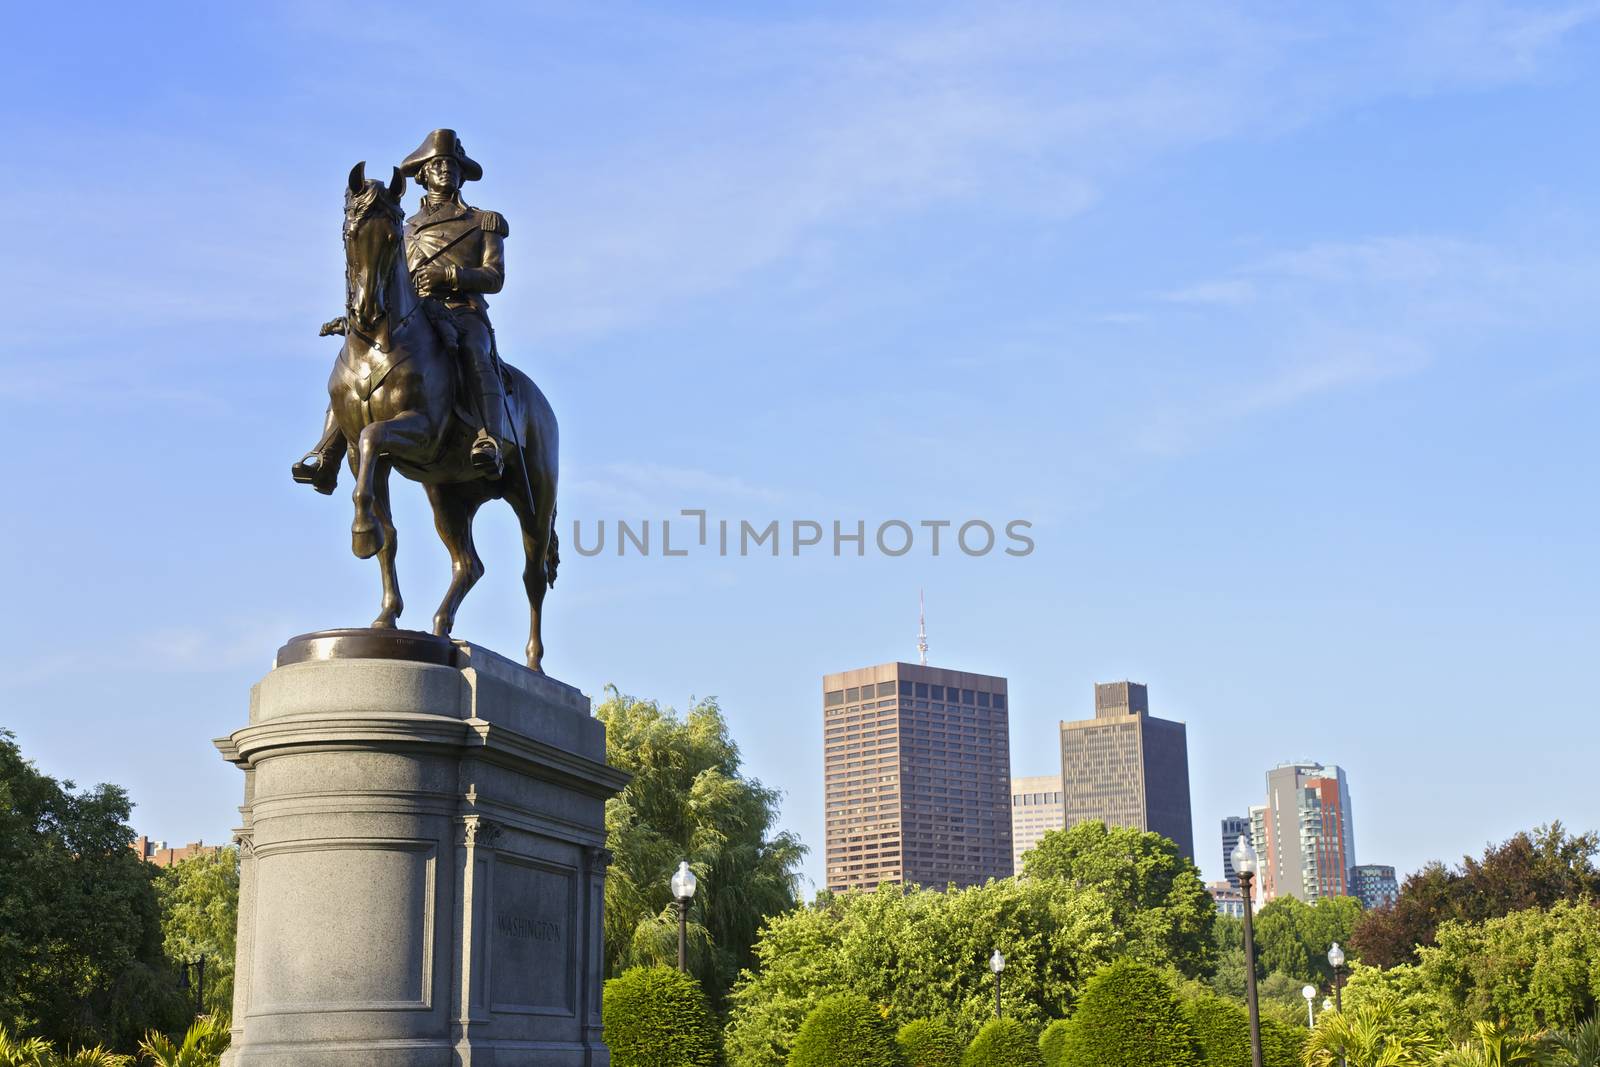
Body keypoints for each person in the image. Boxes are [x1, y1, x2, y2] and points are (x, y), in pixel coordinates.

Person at [292, 129, 511, 491]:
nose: (444, 170)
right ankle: (327, 452)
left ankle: (488, 438)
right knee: (353, 358)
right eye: (436, 164)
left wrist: (449, 275)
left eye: (451, 164)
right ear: (422, 174)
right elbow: (384, 276)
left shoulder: (482, 221)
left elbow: (494, 276)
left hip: (462, 309)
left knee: (475, 348)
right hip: (412, 312)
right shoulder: (403, 227)